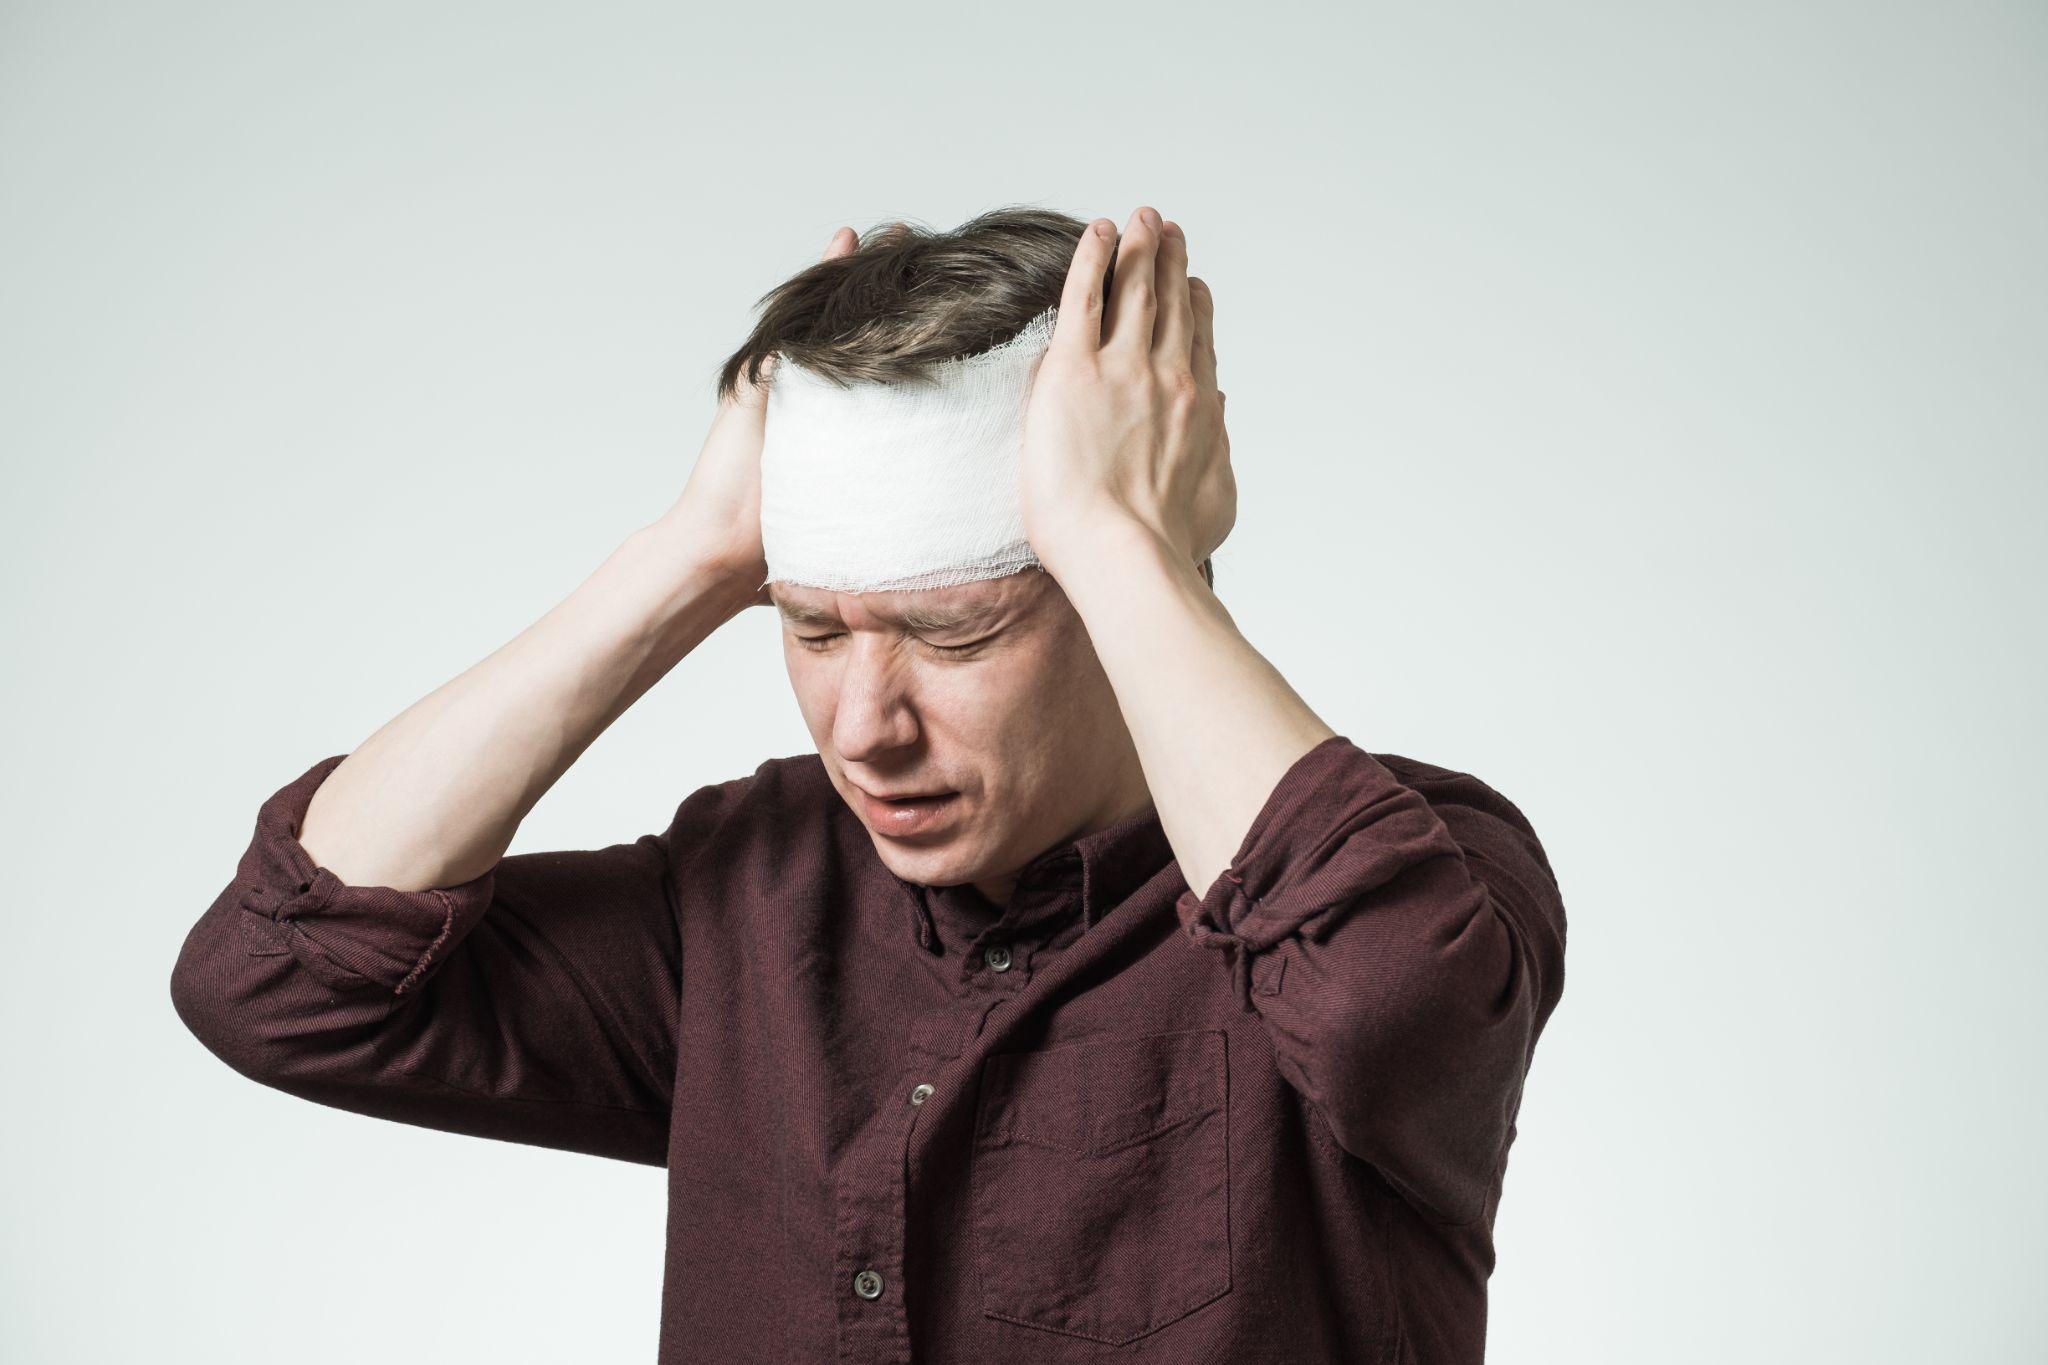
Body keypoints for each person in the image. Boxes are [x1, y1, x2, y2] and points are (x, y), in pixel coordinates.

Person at [170, 204, 1568, 1364]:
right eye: (813, 627)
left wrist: (1124, 540)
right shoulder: (748, 887)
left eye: (956, 636)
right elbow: (279, 981)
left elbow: (1387, 1009)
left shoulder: (1430, 863)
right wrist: (690, 556)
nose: (864, 725)